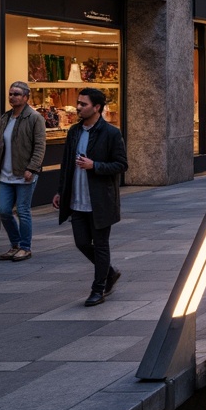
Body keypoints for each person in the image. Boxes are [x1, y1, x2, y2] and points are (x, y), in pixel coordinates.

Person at [52, 88, 127, 307]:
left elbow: (121, 165)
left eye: (83, 104)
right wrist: (60, 191)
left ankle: (98, 288)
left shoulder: (111, 133)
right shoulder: (74, 132)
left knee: (101, 244)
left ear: (97, 108)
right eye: (78, 103)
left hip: (100, 200)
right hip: (77, 199)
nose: (78, 107)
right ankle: (109, 273)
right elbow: (67, 164)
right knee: (82, 242)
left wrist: (95, 166)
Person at [0, 81, 47, 261]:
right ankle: (15, 244)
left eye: (17, 94)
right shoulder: (5, 117)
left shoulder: (35, 118)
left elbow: (39, 146)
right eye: (11, 94)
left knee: (22, 210)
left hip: (25, 173)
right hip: (6, 173)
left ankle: (25, 247)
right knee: (4, 211)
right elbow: (5, 141)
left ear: (26, 97)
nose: (12, 97)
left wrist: (32, 168)